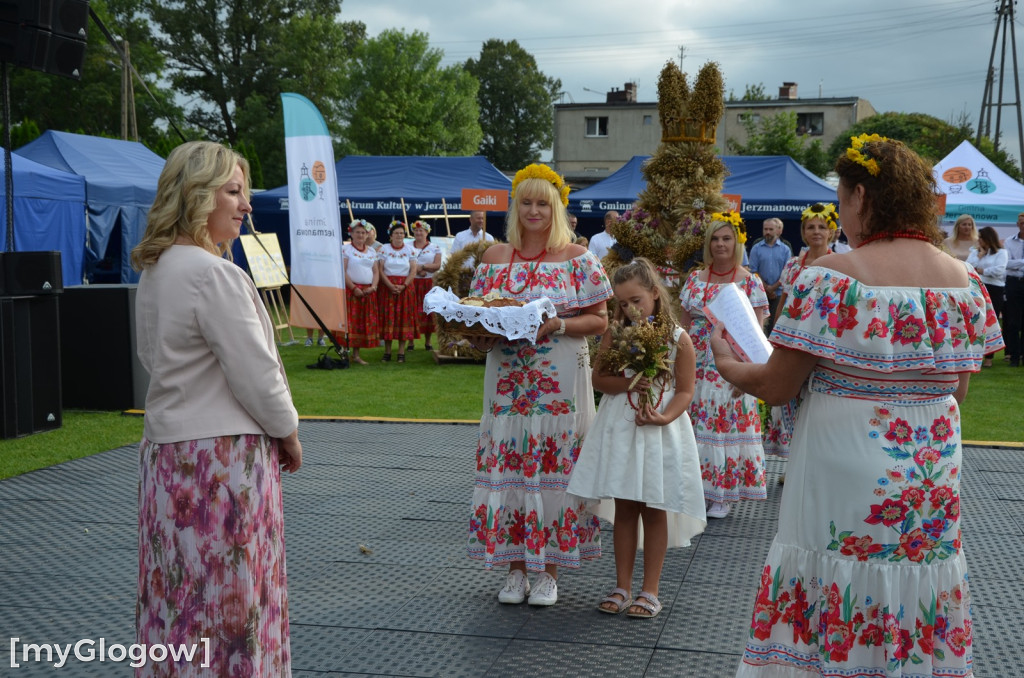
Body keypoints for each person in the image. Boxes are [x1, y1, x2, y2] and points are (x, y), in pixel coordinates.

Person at [712, 134, 1003, 677]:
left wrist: (727, 362)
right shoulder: (965, 282)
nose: (840, 212)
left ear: (862, 196)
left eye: (842, 199)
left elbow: (777, 385)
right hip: (930, 464)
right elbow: (957, 389)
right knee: (917, 573)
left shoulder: (829, 278)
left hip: (843, 461)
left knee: (834, 578)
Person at [131, 141, 302, 677]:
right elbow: (258, 376)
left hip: (166, 462)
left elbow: (148, 357)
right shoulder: (214, 275)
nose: (246, 205)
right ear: (197, 196)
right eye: (234, 191)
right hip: (221, 467)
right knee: (232, 604)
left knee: (177, 598)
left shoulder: (156, 272)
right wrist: (289, 433)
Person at [466, 162, 612, 607]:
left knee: (552, 468)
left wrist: (558, 326)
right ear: (515, 207)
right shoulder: (493, 258)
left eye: (542, 203)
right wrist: (477, 331)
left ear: (558, 208)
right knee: (509, 466)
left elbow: (601, 320)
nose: (534, 211)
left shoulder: (578, 259)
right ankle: (513, 569)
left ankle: (548, 572)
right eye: (526, 202)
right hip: (507, 381)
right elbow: (476, 314)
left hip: (558, 381)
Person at [567, 257, 705, 619]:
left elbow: (685, 391)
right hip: (622, 427)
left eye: (636, 301)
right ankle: (621, 585)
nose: (630, 310)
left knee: (654, 507)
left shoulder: (678, 338)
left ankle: (650, 590)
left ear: (655, 296)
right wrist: (629, 382)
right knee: (626, 507)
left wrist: (664, 417)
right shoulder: (615, 332)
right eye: (623, 303)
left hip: (659, 431)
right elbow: (599, 379)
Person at [679, 212, 769, 519]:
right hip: (696, 361)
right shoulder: (694, 278)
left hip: (729, 361)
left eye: (726, 238)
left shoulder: (749, 281)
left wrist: (746, 372)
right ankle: (698, 490)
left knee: (722, 424)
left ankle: (722, 493)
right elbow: (684, 323)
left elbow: (757, 332)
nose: (720, 244)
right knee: (695, 424)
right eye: (715, 239)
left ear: (737, 242)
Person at [763, 203, 837, 463]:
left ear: (831, 232)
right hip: (793, 341)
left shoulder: (839, 265)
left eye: (821, 227)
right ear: (803, 232)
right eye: (810, 227)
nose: (816, 232)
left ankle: (818, 461)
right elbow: (783, 303)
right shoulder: (794, 265)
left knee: (819, 401)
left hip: (825, 343)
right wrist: (775, 337)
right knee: (792, 400)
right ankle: (793, 462)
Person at [376, 220, 418, 363]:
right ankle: (387, 352)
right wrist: (388, 284)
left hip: (405, 288)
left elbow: (413, 270)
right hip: (387, 287)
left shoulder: (410, 250)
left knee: (403, 319)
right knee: (388, 318)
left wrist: (404, 285)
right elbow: (380, 270)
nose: (399, 235)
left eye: (401, 233)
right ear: (391, 235)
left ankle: (401, 352)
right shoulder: (384, 249)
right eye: (396, 233)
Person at [968, 225, 1008, 367]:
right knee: (975, 320)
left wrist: (981, 270)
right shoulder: (975, 252)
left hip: (995, 288)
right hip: (977, 287)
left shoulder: (1001, 252)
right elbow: (967, 268)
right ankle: (974, 353)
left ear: (988, 238)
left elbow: (999, 271)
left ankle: (989, 357)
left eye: (981, 237)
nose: (978, 240)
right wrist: (979, 258)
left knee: (991, 320)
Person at [342, 219, 380, 365]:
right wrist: (353, 288)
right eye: (357, 232)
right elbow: (343, 271)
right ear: (351, 233)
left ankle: (356, 355)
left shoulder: (371, 251)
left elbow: (375, 271)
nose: (360, 235)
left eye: (363, 233)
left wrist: (374, 287)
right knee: (350, 321)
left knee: (361, 322)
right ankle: (345, 352)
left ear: (367, 235)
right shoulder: (346, 250)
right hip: (352, 290)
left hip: (368, 291)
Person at [748, 217, 792, 332]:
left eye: (770, 229)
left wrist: (773, 288)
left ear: (778, 230)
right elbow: (753, 270)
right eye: (765, 229)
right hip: (759, 293)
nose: (767, 232)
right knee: (760, 325)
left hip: (778, 294)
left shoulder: (785, 249)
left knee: (776, 325)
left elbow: (787, 272)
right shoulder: (756, 248)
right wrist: (766, 288)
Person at [409, 219, 441, 352]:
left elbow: (437, 265)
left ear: (426, 232)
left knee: (428, 310)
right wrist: (417, 270)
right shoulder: (408, 246)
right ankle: (410, 341)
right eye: (416, 230)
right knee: (412, 310)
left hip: (428, 282)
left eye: (421, 230)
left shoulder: (435, 248)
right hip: (413, 281)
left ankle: (428, 342)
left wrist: (423, 267)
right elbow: (404, 264)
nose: (418, 233)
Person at [1004, 212, 1024, 366]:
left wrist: (1016, 263)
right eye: (1021, 222)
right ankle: (1014, 356)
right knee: (1012, 321)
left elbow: (1012, 263)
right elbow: (1007, 264)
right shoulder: (1009, 242)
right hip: (1013, 283)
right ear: (1017, 224)